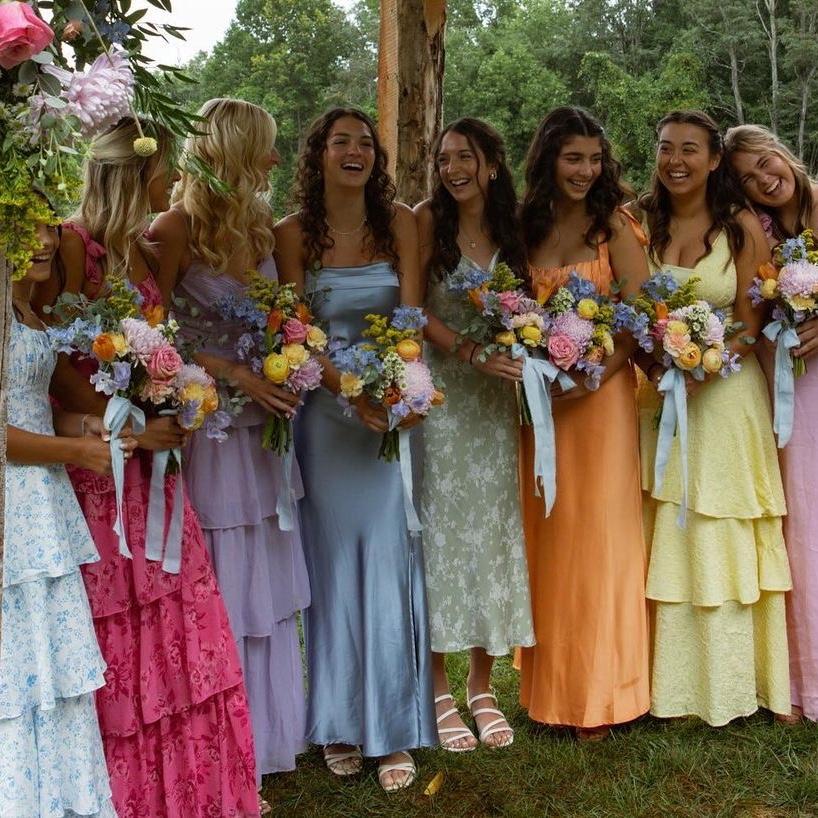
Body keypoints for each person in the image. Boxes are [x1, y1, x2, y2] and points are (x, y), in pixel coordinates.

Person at [40, 117, 260, 816]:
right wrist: (129, 422)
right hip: (99, 467)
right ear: (134, 172)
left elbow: (164, 346)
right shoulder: (71, 245)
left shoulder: (146, 249)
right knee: (118, 623)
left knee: (179, 613)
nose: (174, 180)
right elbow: (49, 357)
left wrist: (180, 400)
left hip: (154, 471)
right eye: (166, 169)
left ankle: (190, 792)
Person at [152, 98, 310, 811]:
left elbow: (283, 313)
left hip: (265, 429)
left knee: (265, 585)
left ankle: (270, 736)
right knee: (222, 580)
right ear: (236, 152)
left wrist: (289, 359)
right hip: (211, 433)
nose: (275, 159)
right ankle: (219, 748)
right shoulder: (173, 228)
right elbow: (153, 336)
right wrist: (236, 373)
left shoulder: (259, 224)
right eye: (266, 147)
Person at [275, 106, 437, 792]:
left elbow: (410, 320)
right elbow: (294, 331)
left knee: (389, 565)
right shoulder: (290, 234)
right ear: (318, 155)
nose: (355, 151)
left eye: (365, 143)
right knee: (335, 568)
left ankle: (393, 728)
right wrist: (349, 391)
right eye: (341, 141)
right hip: (325, 417)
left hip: (386, 414)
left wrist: (400, 393)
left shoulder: (399, 222)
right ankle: (340, 722)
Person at [637, 111, 791, 726]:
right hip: (661, 395)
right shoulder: (639, 223)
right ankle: (668, 686)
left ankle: (736, 682)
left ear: (714, 160)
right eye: (665, 147)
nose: (675, 161)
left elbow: (753, 323)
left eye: (690, 149)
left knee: (722, 525)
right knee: (669, 528)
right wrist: (661, 361)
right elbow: (631, 308)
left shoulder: (741, 226)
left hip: (727, 396)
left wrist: (706, 364)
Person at [516, 106, 651, 740]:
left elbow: (639, 317)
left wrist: (590, 377)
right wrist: (538, 373)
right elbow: (509, 312)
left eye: (595, 159)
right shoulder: (525, 225)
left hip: (600, 404)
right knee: (551, 538)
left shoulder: (614, 225)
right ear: (549, 159)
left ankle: (605, 693)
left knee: (599, 540)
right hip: (541, 405)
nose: (586, 170)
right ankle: (552, 688)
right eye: (574, 158)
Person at [2, 213, 136, 817]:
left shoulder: (27, 313)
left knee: (49, 665)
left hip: (43, 501)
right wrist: (74, 452)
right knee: (17, 664)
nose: (44, 241)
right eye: (23, 227)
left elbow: (27, 408)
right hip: (12, 509)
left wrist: (83, 426)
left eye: (49, 228)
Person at [414, 117, 533, 752]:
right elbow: (412, 310)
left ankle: (482, 688)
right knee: (439, 536)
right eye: (444, 159)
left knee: (492, 533)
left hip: (495, 405)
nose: (453, 169)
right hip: (441, 399)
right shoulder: (425, 222)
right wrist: (468, 350)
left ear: (491, 163)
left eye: (464, 157)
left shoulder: (516, 228)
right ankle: (436, 689)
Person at [725, 123, 818, 722]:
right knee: (802, 521)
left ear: (782, 153)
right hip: (790, 388)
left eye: (766, 162)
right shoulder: (756, 232)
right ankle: (800, 679)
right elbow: (753, 313)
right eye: (749, 178)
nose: (765, 179)